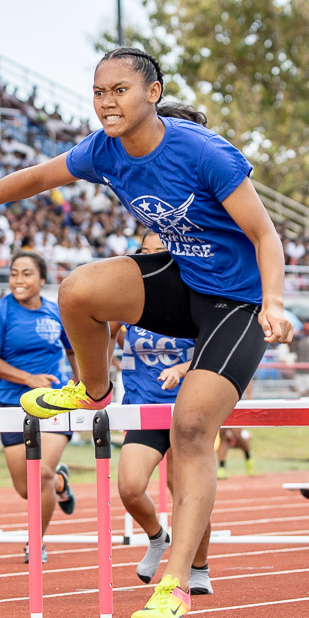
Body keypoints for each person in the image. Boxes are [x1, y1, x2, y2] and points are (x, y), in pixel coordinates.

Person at [0, 47, 291, 618]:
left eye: (119, 90)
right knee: (77, 291)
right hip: (184, 280)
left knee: (193, 426)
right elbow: (36, 178)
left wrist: (273, 301)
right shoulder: (104, 149)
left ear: (153, 92)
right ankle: (93, 389)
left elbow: (264, 232)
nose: (106, 102)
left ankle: (175, 584)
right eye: (99, 92)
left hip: (237, 303)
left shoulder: (203, 152)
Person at [114, 230, 212, 593]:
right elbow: (105, 334)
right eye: (145, 251)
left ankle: (198, 567)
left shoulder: (195, 294)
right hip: (144, 409)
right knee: (129, 487)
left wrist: (183, 368)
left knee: (186, 491)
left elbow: (217, 347)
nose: (152, 257)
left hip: (189, 411)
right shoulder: (126, 301)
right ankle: (157, 537)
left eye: (161, 251)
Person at [0, 251, 78, 563]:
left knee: (41, 473)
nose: (18, 280)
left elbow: (74, 350)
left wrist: (83, 383)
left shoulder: (55, 312)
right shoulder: (0, 312)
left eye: (26, 273)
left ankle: (36, 542)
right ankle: (60, 481)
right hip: (12, 403)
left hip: (55, 400)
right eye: (14, 273)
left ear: (42, 279)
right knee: (26, 489)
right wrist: (28, 378)